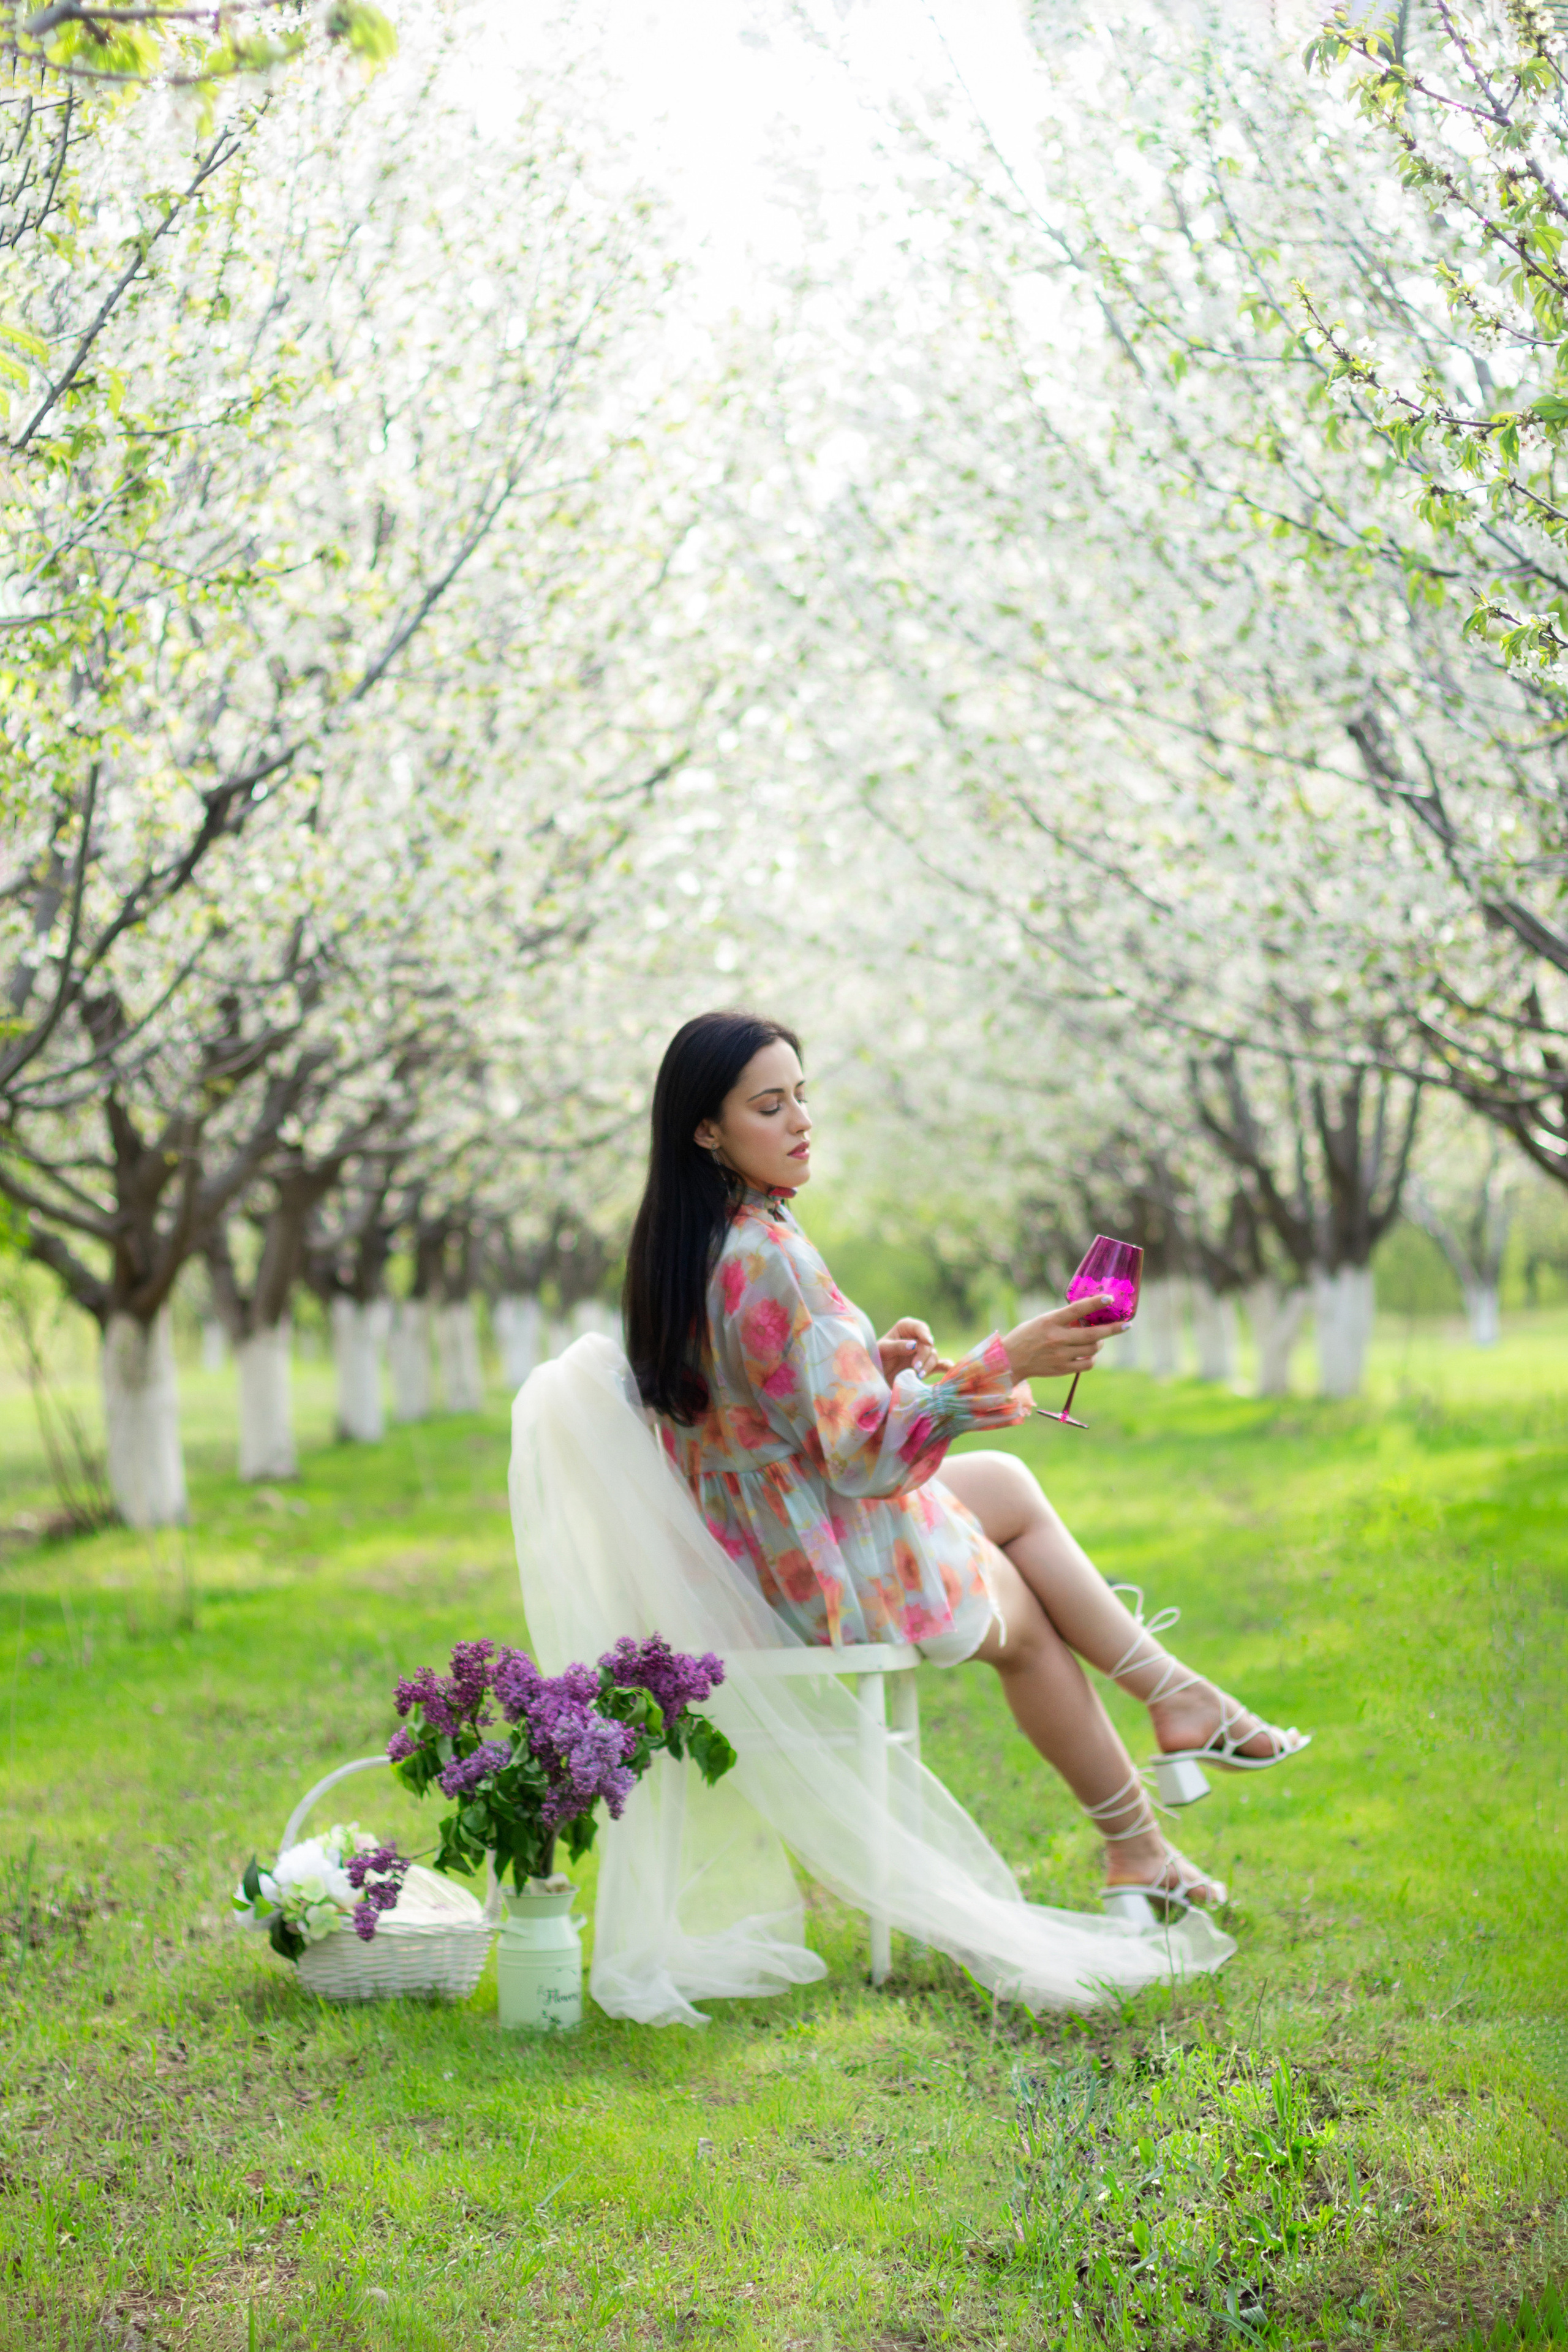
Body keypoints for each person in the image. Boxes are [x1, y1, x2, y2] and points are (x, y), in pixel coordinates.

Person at [623, 1008, 1308, 1920]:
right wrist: (1008, 1360)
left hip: (751, 1545)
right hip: (811, 1573)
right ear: (707, 1129)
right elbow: (865, 1459)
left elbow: (773, 1412)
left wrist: (881, 1365)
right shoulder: (771, 1255)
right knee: (1023, 1622)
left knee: (1010, 1493)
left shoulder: (692, 1247)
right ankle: (1142, 1836)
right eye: (769, 1106)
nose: (800, 1122)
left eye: (802, 1098)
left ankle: (1175, 1712)